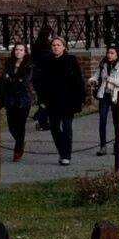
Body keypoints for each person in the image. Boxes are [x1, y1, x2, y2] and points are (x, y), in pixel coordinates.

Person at [30, 35, 86, 166]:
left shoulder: (71, 60)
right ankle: (62, 150)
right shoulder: (47, 61)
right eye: (54, 45)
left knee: (67, 128)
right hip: (52, 100)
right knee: (54, 127)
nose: (56, 47)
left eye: (58, 45)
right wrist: (42, 100)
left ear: (64, 47)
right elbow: (42, 82)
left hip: (68, 100)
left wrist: (80, 97)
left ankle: (67, 155)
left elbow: (78, 80)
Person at [0, 42, 34, 162]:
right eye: (17, 50)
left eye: (21, 50)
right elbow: (3, 80)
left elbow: (24, 82)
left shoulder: (28, 65)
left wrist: (12, 80)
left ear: (25, 52)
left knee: (20, 124)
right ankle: (20, 141)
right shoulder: (9, 64)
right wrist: (11, 81)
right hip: (10, 99)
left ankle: (17, 149)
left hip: (23, 99)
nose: (18, 52)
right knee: (12, 125)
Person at [91, 43, 119, 155]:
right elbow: (96, 75)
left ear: (117, 54)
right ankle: (102, 146)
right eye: (108, 52)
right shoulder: (103, 64)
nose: (109, 55)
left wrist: (112, 80)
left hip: (116, 96)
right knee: (102, 121)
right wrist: (92, 80)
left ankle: (117, 145)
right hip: (104, 95)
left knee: (116, 122)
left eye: (112, 53)